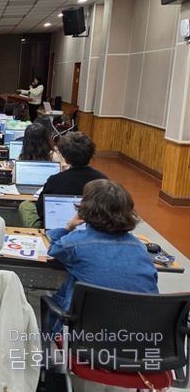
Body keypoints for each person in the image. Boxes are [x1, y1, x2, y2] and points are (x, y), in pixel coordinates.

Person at [46, 179, 158, 333]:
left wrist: (68, 226)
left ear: (85, 209)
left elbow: (53, 249)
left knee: (74, 281)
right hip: (144, 333)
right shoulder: (139, 247)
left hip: (94, 334)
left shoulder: (75, 243)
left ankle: (53, 336)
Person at [19, 132, 108, 228]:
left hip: (56, 227)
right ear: (91, 154)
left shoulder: (55, 180)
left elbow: (41, 210)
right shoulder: (103, 180)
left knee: (26, 206)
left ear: (65, 157)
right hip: (92, 227)